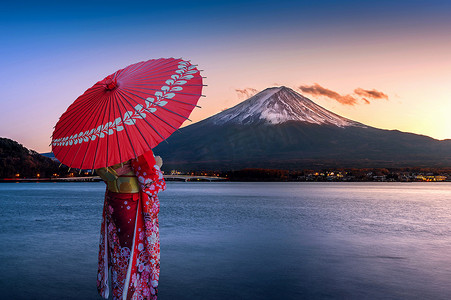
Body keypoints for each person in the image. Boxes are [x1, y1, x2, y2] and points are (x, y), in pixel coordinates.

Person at [96, 150, 166, 300]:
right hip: (131, 205)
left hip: (114, 204)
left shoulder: (107, 146)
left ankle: (118, 289)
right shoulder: (135, 146)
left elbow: (103, 173)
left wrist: (116, 172)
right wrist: (157, 165)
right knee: (133, 254)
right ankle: (130, 294)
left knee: (118, 250)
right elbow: (152, 183)